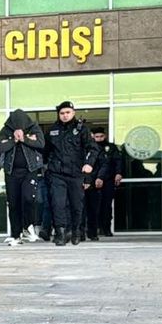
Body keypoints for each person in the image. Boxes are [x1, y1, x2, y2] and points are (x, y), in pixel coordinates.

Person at [44, 101, 99, 246]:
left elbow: (93, 148)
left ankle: (76, 231)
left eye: (67, 112)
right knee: (58, 203)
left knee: (76, 205)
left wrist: (89, 164)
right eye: (62, 113)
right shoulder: (52, 130)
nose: (65, 115)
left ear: (73, 113)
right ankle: (60, 233)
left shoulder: (82, 129)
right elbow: (45, 151)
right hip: (57, 173)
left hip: (76, 173)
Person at [0, 109, 46, 247]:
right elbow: (0, 146)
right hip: (11, 172)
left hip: (30, 170)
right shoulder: (5, 130)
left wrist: (24, 138)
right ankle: (15, 234)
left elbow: (41, 144)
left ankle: (27, 226)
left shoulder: (34, 128)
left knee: (28, 199)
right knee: (13, 203)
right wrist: (14, 139)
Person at [86, 126, 122, 240]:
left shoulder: (111, 147)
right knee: (93, 207)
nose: (99, 139)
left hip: (108, 180)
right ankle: (93, 229)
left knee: (106, 206)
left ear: (105, 135)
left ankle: (106, 228)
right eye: (97, 137)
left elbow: (117, 161)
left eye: (101, 136)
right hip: (91, 180)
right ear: (93, 136)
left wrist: (118, 173)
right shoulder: (89, 147)